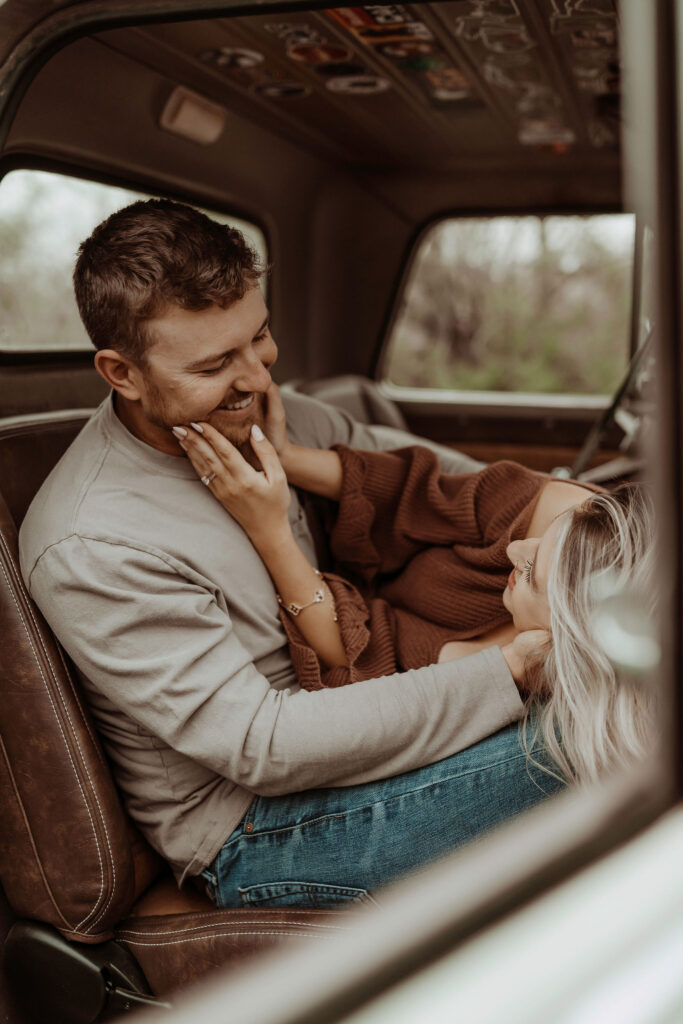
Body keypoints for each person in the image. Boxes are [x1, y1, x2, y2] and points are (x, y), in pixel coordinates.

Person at [21, 198, 569, 911]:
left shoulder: (277, 415)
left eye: (260, 336)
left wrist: (567, 514)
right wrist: (516, 669)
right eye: (217, 362)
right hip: (259, 825)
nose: (256, 377)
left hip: (359, 703)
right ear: (121, 373)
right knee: (615, 731)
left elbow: (459, 490)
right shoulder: (92, 540)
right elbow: (263, 745)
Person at [176, 399, 656, 792]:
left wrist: (270, 529)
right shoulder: (563, 510)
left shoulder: (544, 670)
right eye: (542, 537)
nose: (515, 549)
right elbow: (416, 494)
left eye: (531, 574)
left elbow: (363, 656)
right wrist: (287, 458)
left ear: (569, 634)